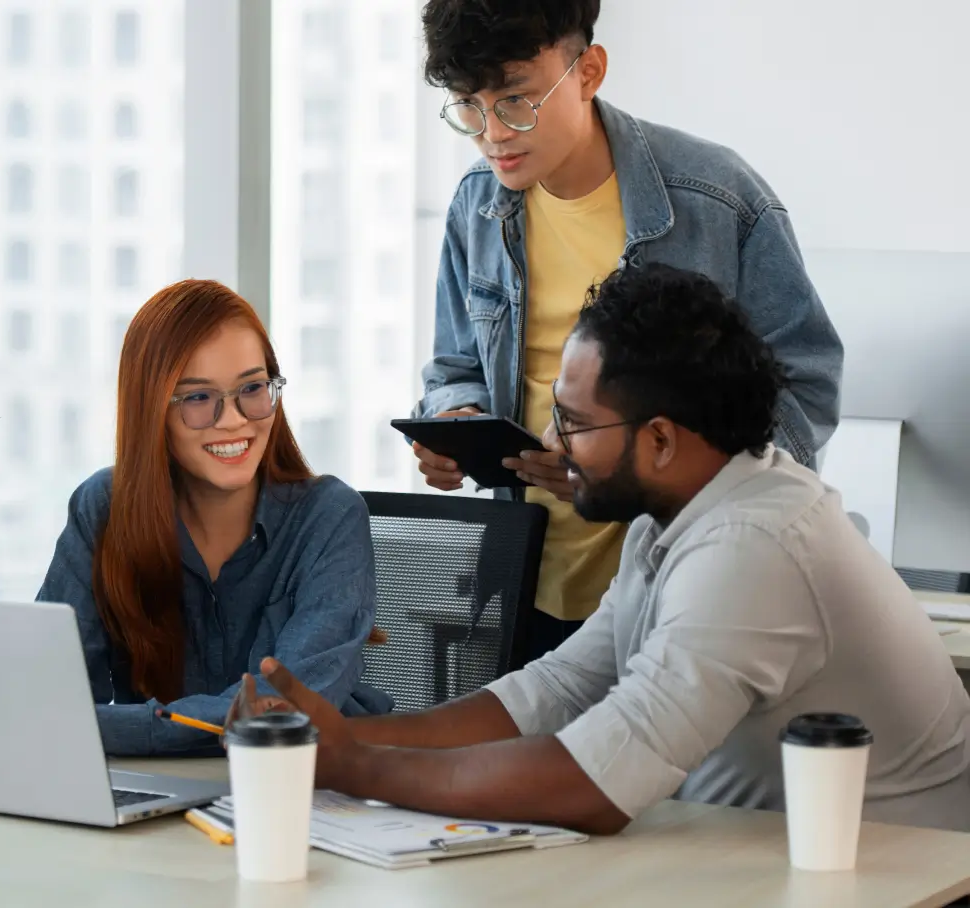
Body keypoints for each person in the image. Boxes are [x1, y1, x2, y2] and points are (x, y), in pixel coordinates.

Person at [233, 264, 970, 835]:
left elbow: (596, 782)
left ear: (659, 438)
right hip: (749, 863)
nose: (553, 445)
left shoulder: (754, 546)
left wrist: (358, 767)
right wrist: (343, 740)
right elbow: (553, 692)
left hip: (889, 883)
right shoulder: (675, 517)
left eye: (575, 423)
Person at [410, 0, 844, 659]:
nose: (493, 133)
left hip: (683, 583)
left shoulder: (717, 198)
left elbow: (802, 393)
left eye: (516, 99)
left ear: (588, 72)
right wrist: (456, 420)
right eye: (469, 106)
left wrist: (627, 464)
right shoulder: (477, 203)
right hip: (524, 581)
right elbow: (453, 366)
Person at [37, 279, 390, 757]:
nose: (233, 420)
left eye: (252, 388)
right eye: (199, 398)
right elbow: (50, 696)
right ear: (151, 410)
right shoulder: (103, 506)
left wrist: (114, 728)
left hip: (308, 788)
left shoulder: (330, 517)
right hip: (158, 792)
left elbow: (279, 713)